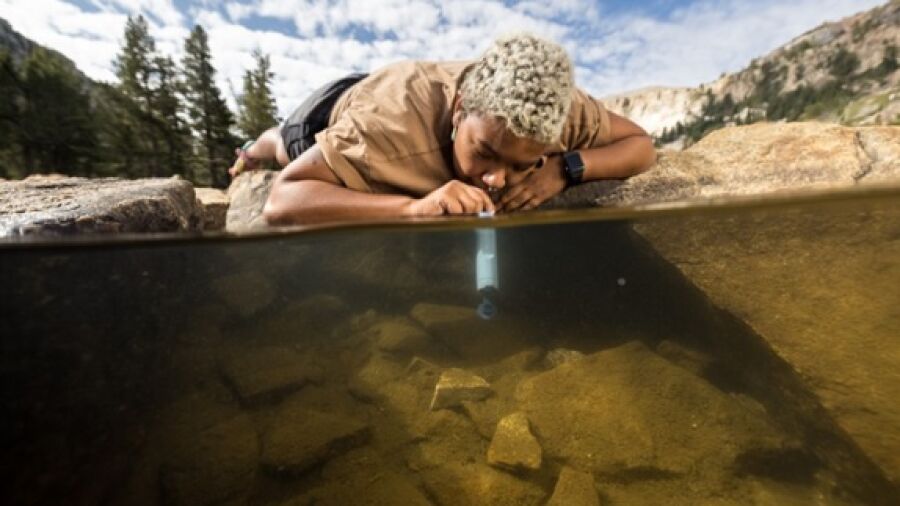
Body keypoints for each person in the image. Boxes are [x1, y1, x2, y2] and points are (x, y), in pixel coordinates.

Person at [229, 33, 656, 224]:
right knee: (280, 144)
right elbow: (281, 201)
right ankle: (249, 151)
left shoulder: (556, 108)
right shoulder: (385, 125)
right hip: (330, 111)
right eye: (485, 152)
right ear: (459, 109)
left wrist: (565, 170)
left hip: (389, 89)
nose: (497, 180)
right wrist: (411, 210)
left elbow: (641, 145)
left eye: (524, 164)